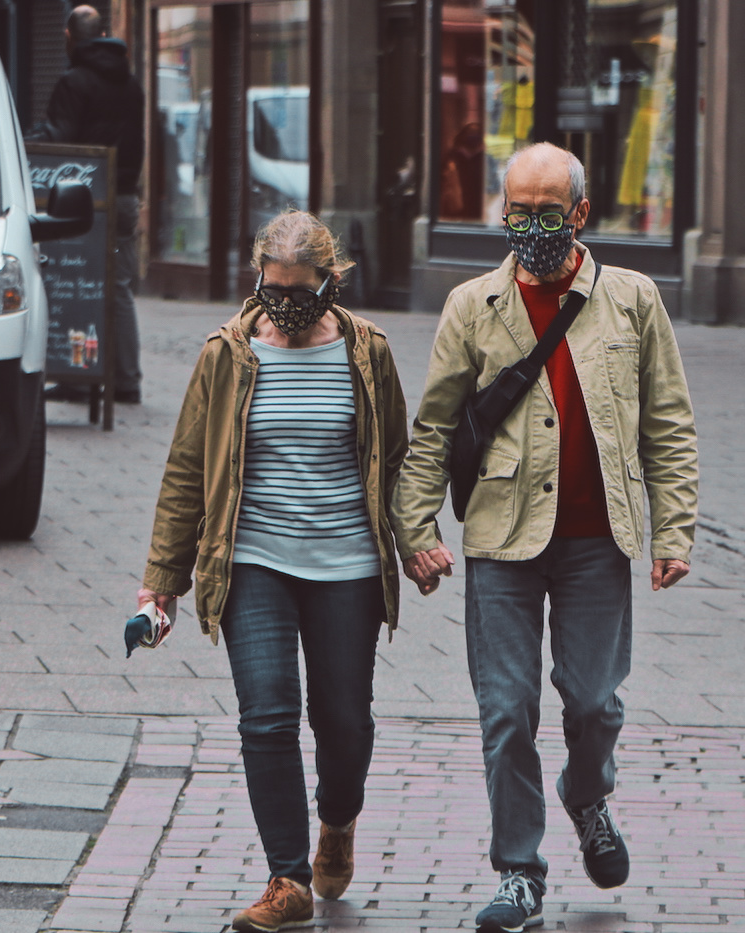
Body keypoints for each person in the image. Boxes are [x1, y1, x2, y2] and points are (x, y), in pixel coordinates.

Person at [391, 142, 699, 932]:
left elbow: (667, 422)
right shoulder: (472, 306)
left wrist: (675, 527)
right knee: (507, 710)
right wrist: (414, 527)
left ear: (581, 215)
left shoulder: (632, 299)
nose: (530, 228)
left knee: (594, 702)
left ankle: (587, 793)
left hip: (600, 538)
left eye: (547, 214)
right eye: (517, 213)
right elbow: (432, 430)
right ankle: (519, 870)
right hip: (501, 537)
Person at [139, 211, 409, 932]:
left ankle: (339, 818)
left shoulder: (367, 350)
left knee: (344, 721)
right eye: (274, 285)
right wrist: (162, 579)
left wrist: (417, 542)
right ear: (258, 275)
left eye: (302, 287)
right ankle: (287, 877)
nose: (287, 300)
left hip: (347, 562)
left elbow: (399, 463)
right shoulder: (226, 353)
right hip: (252, 556)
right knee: (267, 713)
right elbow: (187, 470)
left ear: (331, 281)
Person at [31, 4, 146, 404]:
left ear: (68, 37)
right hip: (125, 195)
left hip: (84, 200)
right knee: (117, 285)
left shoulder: (74, 82)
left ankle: (79, 376)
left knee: (77, 277)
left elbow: (61, 141)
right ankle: (127, 380)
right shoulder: (131, 84)